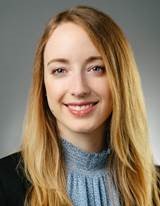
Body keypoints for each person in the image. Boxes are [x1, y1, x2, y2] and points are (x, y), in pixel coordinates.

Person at [0, 5, 159, 206]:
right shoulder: (4, 183)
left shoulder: (156, 186)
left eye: (96, 68)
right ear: (43, 83)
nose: (79, 89)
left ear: (121, 79)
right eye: (60, 70)